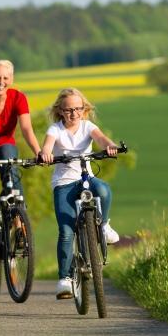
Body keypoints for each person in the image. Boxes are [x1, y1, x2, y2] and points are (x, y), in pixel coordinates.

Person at [39, 88, 120, 300]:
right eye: (68, 110)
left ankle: (103, 226)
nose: (74, 113)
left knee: (102, 189)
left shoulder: (88, 126)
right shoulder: (55, 129)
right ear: (60, 111)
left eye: (78, 109)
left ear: (84, 109)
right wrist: (46, 153)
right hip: (64, 184)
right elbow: (47, 145)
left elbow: (101, 139)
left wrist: (110, 147)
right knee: (66, 231)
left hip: (86, 178)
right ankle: (65, 279)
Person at [0, 60, 42, 222]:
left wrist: (38, 152)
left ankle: (19, 220)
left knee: (11, 171)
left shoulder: (18, 98)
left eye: (5, 78)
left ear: (11, 80)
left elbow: (26, 128)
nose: (1, 82)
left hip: (4, 145)